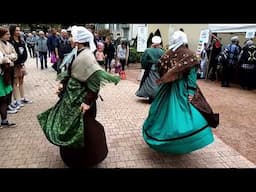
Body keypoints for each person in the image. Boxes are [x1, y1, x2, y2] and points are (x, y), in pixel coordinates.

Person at [37, 26, 120, 168]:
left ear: (78, 40)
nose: (70, 38)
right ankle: (72, 157)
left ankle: (85, 159)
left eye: (72, 36)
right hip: (71, 99)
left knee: (84, 129)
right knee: (71, 126)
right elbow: (71, 73)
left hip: (81, 101)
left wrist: (87, 101)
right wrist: (63, 84)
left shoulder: (87, 56)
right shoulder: (77, 52)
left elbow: (94, 82)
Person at [142, 30, 215, 154]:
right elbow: (192, 76)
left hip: (166, 89)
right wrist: (191, 91)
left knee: (160, 114)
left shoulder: (167, 54)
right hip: (182, 89)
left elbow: (161, 69)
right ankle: (180, 141)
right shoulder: (190, 55)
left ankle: (161, 138)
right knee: (183, 116)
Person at [135, 36, 164, 103]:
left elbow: (143, 60)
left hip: (150, 68)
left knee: (149, 82)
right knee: (157, 82)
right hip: (158, 69)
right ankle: (157, 96)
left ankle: (150, 96)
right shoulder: (162, 51)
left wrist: (144, 66)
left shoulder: (148, 50)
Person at [0, 26, 17, 127]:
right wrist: (7, 58)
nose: (9, 36)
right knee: (2, 98)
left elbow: (15, 55)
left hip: (5, 73)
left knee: (5, 98)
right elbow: (2, 59)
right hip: (2, 73)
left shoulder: (9, 44)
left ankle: (4, 120)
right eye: (7, 34)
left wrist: (8, 57)